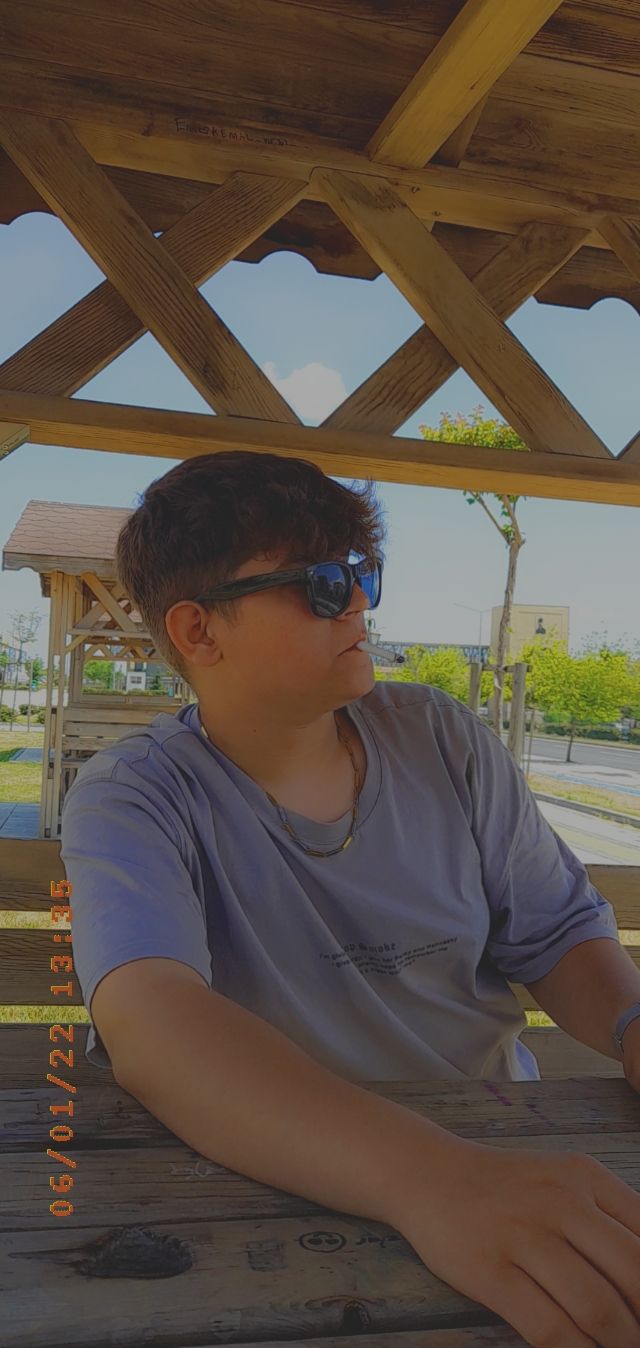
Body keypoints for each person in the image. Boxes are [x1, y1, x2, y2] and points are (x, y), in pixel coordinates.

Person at [60, 451, 640, 1347]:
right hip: (274, 1184)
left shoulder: (441, 738)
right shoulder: (134, 796)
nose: (361, 602)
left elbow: (558, 933)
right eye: (323, 584)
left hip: (499, 1155)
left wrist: (633, 1025)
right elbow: (153, 1025)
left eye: (363, 573)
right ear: (199, 631)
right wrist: (436, 1183)